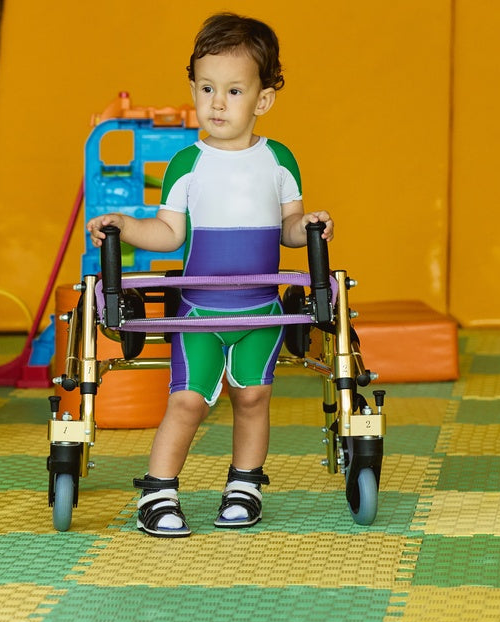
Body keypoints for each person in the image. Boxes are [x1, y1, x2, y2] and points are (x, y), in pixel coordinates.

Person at [86, 12, 334, 537]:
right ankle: (159, 492)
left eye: (234, 90)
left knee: (253, 396)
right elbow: (169, 235)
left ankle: (244, 485)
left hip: (262, 310)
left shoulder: (279, 160)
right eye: (206, 88)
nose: (217, 103)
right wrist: (127, 226)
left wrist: (307, 225)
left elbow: (288, 230)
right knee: (186, 399)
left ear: (262, 100)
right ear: (194, 89)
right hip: (198, 310)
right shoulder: (185, 164)